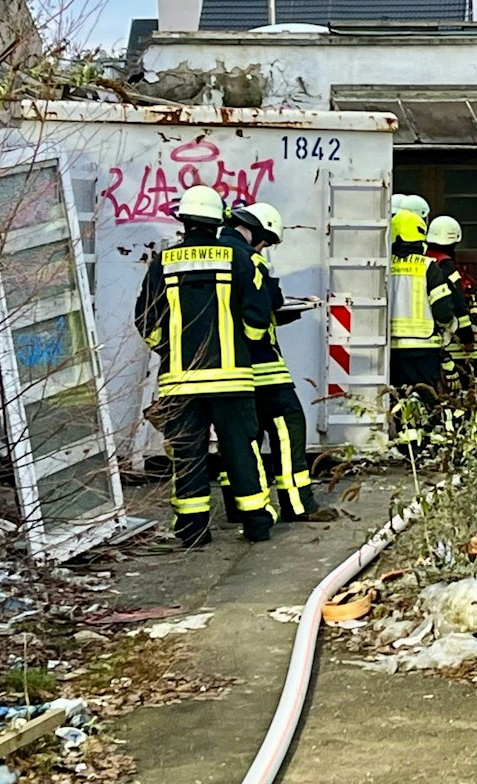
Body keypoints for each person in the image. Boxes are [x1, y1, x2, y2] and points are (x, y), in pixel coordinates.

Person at [134, 185, 275, 547]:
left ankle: (193, 530)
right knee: (241, 451)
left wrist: (170, 350)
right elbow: (258, 317)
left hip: (180, 383)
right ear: (219, 221)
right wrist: (242, 344)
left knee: (187, 455)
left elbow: (146, 321)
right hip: (232, 380)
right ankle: (256, 524)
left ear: (183, 219)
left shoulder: (163, 262)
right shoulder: (238, 258)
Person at [228, 201, 333, 522]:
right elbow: (262, 312)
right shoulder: (250, 261)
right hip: (263, 369)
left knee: (242, 439)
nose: (264, 249)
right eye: (266, 242)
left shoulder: (213, 257)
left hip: (226, 372)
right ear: (255, 231)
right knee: (289, 428)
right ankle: (298, 504)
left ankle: (239, 506)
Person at [388, 209, 460, 400]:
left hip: (391, 347)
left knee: (398, 400)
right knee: (425, 399)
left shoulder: (385, 268)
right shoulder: (429, 267)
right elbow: (443, 311)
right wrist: (449, 328)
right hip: (424, 348)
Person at [425, 215, 477, 387]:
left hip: (427, 333)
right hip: (451, 336)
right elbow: (458, 301)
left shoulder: (424, 260)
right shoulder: (446, 264)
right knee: (466, 385)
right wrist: (467, 336)